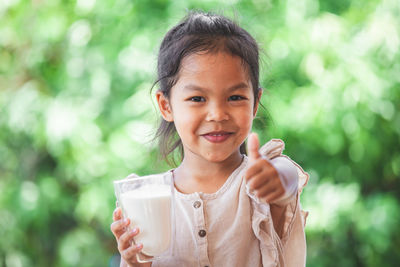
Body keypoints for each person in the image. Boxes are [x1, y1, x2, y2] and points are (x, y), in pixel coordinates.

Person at [111, 10, 309, 267]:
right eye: (197, 99)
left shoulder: (262, 179)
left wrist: (276, 180)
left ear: (255, 103)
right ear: (166, 106)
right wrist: (136, 261)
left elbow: (287, 179)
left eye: (235, 97)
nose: (217, 114)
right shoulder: (147, 199)